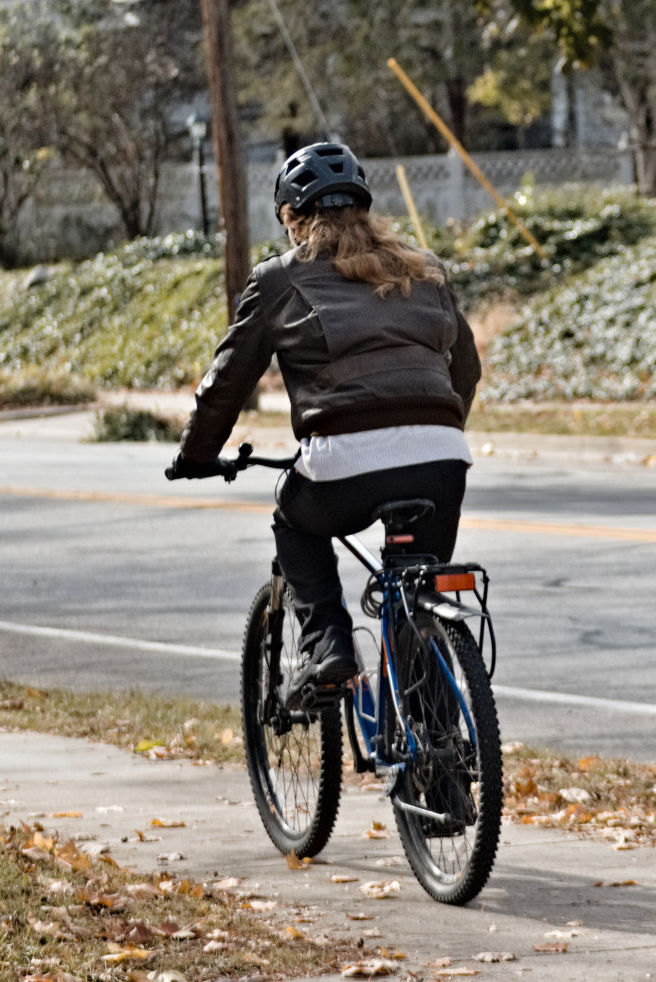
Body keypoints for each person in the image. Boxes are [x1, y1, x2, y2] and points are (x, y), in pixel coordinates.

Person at [168, 142, 480, 698]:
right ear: (363, 207)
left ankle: (328, 645)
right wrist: (433, 434)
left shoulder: (279, 280)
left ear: (292, 218)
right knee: (419, 590)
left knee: (294, 520)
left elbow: (225, 386)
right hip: (442, 459)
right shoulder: (423, 269)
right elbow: (468, 370)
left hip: (343, 465)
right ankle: (442, 768)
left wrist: (194, 456)